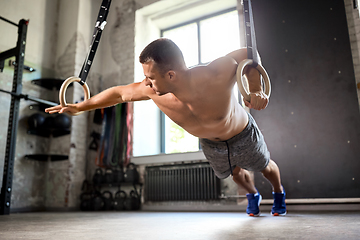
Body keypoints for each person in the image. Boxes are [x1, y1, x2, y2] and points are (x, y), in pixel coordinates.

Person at [46, 38, 286, 216]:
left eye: (150, 77)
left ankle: (278, 192)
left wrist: (255, 88)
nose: (146, 83)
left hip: (241, 133)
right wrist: (79, 106)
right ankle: (253, 194)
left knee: (265, 167)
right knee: (236, 174)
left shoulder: (216, 73)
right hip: (211, 144)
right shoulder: (153, 91)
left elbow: (250, 52)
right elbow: (119, 93)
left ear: (170, 74)